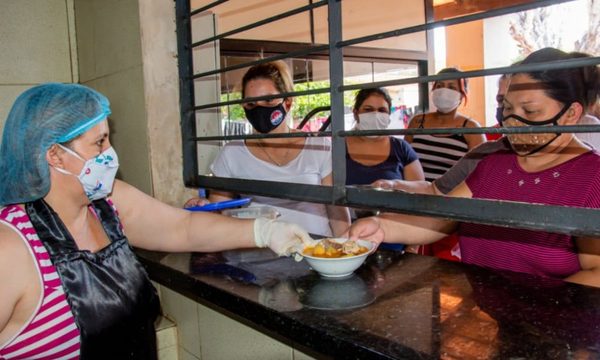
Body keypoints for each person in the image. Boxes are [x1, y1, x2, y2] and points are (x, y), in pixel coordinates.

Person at [0, 83, 315, 358]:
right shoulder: (11, 248)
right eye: (99, 143)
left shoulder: (108, 202)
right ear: (54, 155)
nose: (111, 153)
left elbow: (183, 227)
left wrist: (264, 231)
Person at [349, 48, 600, 288]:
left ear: (571, 113)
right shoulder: (495, 163)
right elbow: (443, 218)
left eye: (530, 111)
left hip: (554, 327)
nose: (512, 120)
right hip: (494, 319)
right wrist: (382, 227)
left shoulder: (592, 178)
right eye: (508, 108)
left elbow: (596, 272)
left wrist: (534, 308)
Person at [208, 61, 350, 237]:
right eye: (251, 104)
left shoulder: (319, 147)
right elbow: (218, 213)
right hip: (255, 258)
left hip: (316, 254)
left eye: (268, 100)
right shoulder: (232, 153)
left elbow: (337, 212)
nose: (259, 109)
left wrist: (345, 249)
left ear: (287, 102)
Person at [405, 67, 487, 182]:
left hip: (450, 196)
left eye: (451, 87)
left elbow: (480, 171)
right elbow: (403, 159)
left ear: (462, 95)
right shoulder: (417, 122)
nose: (443, 91)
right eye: (439, 86)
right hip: (414, 194)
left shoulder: (471, 128)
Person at [346, 87, 424, 187]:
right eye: (368, 109)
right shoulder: (338, 147)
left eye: (382, 110)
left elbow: (419, 189)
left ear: (388, 115)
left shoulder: (401, 148)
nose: (375, 114)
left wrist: (395, 185)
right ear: (356, 113)